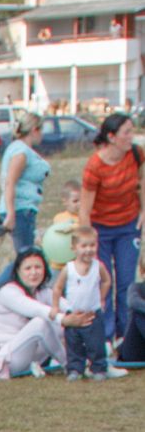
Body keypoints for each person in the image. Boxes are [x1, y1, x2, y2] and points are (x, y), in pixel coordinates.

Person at [80, 113, 144, 346]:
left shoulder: (136, 154)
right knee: (104, 281)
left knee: (127, 281)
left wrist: (143, 210)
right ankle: (105, 336)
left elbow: (141, 180)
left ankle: (125, 336)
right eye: (126, 132)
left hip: (128, 226)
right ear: (111, 137)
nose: (131, 136)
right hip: (101, 229)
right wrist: (87, 240)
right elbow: (85, 209)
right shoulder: (94, 166)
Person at [0, 250, 64, 378]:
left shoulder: (43, 291)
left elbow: (69, 307)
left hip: (23, 353)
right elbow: (35, 309)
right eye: (28, 268)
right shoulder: (8, 292)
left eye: (38, 267)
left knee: (61, 326)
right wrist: (65, 319)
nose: (34, 272)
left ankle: (85, 360)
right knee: (41, 323)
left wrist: (81, 317)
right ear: (18, 271)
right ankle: (70, 364)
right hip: (1, 358)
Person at [52, 225, 116, 381]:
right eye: (84, 246)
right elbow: (57, 288)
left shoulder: (98, 266)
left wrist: (101, 298)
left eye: (92, 245)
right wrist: (55, 307)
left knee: (96, 344)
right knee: (74, 344)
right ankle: (75, 369)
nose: (88, 250)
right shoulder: (69, 268)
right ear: (74, 248)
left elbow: (107, 281)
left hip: (92, 313)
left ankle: (99, 368)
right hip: (73, 313)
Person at [0, 113, 49, 282]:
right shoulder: (21, 153)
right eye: (41, 130)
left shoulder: (16, 148)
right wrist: (10, 214)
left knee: (26, 257)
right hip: (20, 210)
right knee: (26, 259)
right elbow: (10, 182)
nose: (42, 135)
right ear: (34, 130)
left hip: (23, 209)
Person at [40, 179, 82, 270]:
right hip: (57, 264)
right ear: (65, 202)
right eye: (75, 201)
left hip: (75, 266)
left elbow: (85, 229)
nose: (80, 204)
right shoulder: (58, 218)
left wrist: (73, 227)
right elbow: (52, 238)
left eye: (82, 200)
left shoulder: (83, 220)